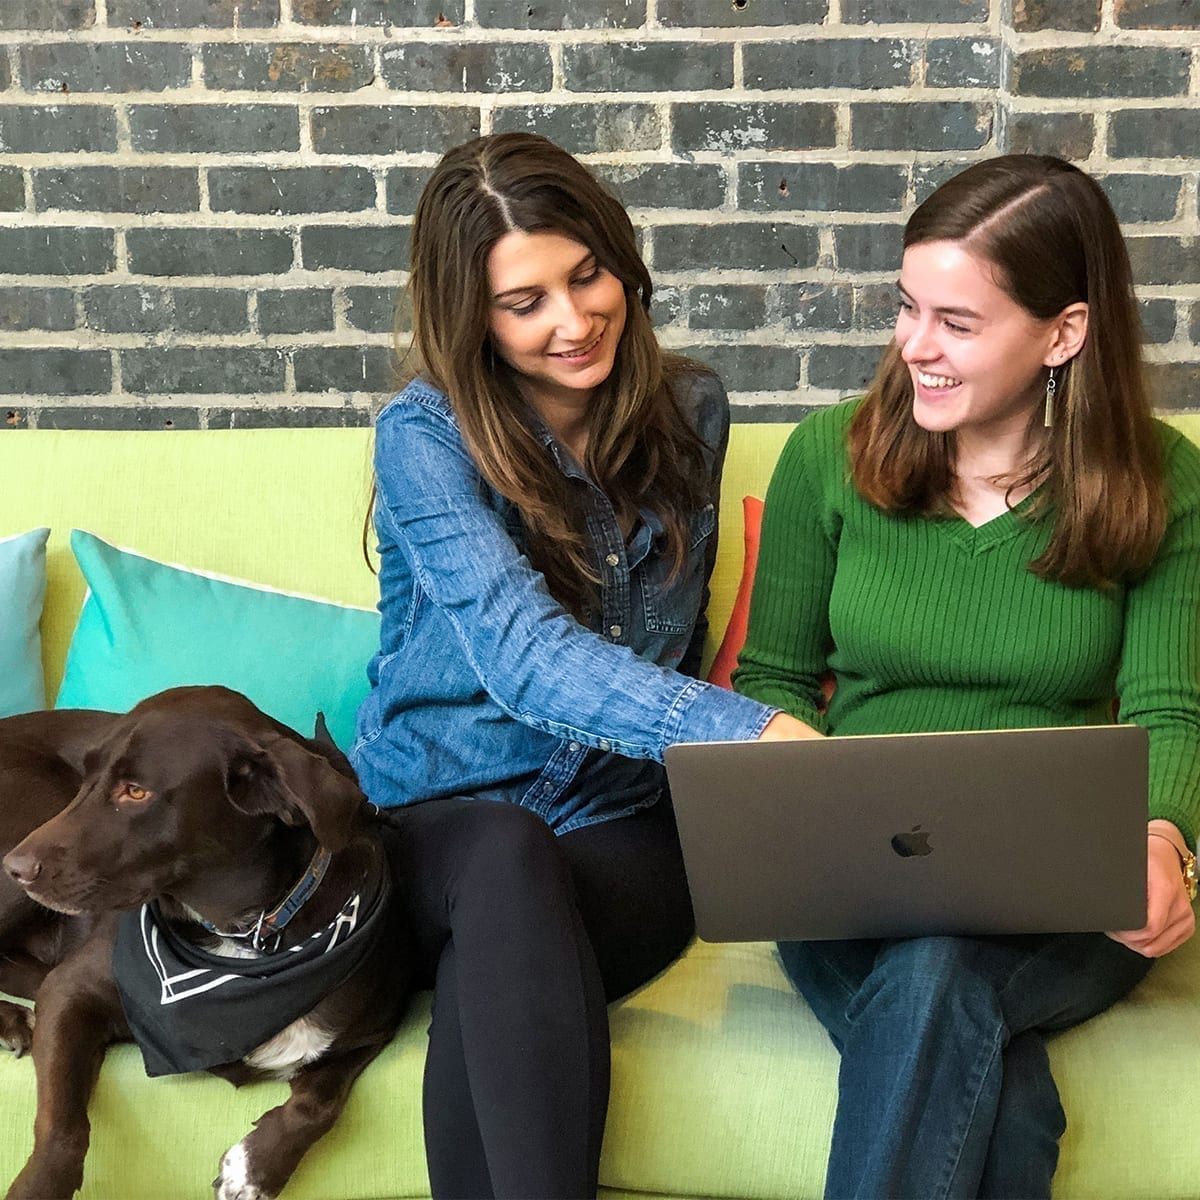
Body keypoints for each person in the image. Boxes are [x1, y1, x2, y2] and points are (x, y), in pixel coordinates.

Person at [350, 131, 815, 1200]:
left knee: (507, 960)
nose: (573, 320)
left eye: (587, 274)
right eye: (525, 303)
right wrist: (748, 733)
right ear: (472, 320)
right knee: (507, 860)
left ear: (620, 256)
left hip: (621, 829)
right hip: (440, 825)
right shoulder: (424, 437)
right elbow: (522, 661)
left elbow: (675, 637)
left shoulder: (689, 412)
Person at [733, 153, 1200, 1200]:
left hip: (1065, 897)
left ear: (1063, 334)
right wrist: (794, 811)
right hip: (853, 889)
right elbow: (771, 678)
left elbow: (1169, 705)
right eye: (908, 307)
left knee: (940, 981)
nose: (914, 345)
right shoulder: (826, 458)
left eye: (957, 320)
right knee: (967, 1026)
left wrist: (1162, 838)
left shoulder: (1162, 484)